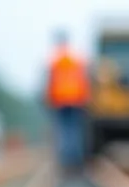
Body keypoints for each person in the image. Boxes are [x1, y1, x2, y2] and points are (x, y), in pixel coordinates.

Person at [46, 31, 91, 172]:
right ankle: (75, 160)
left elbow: (51, 81)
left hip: (60, 100)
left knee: (64, 131)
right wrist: (85, 98)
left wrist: (50, 98)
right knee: (75, 130)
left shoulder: (55, 60)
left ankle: (66, 161)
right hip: (76, 99)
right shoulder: (76, 58)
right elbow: (84, 80)